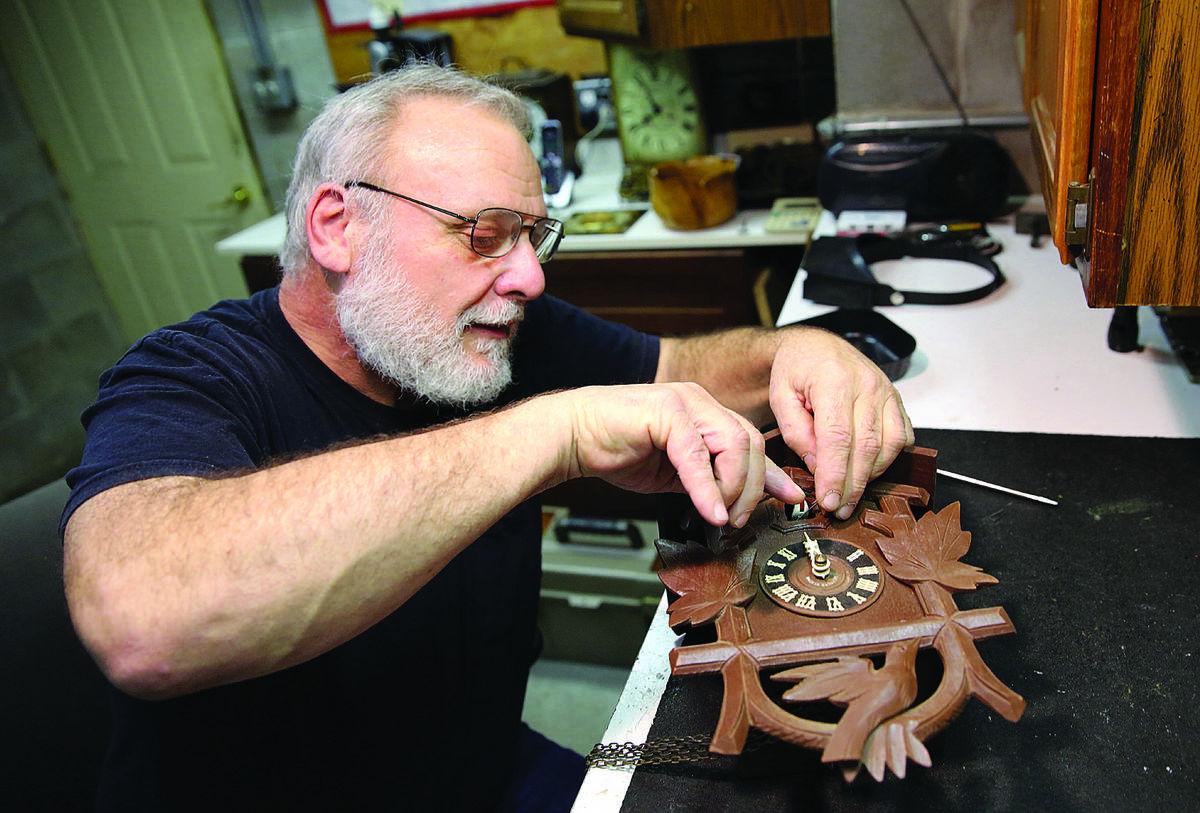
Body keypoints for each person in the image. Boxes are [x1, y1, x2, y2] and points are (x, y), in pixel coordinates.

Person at [61, 65, 912, 811]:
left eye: (532, 236)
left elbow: (680, 367)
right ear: (335, 226)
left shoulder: (486, 330)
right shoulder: (188, 377)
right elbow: (143, 619)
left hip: (479, 774)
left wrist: (797, 350)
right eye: (483, 233)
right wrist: (554, 430)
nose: (530, 275)